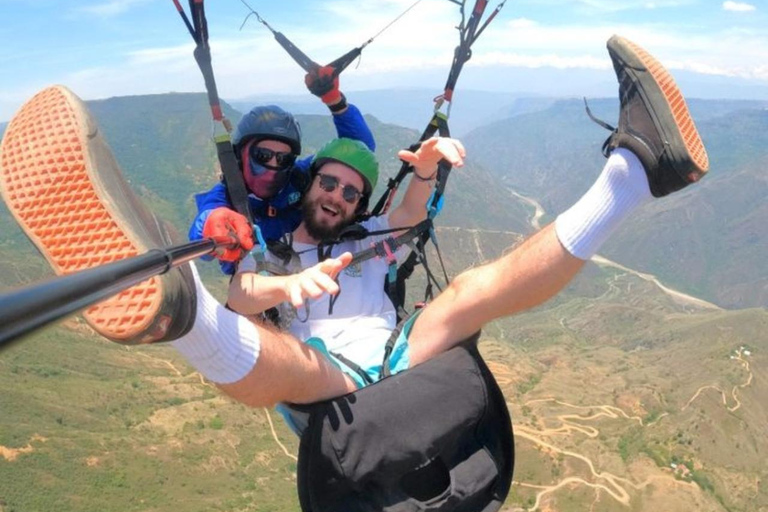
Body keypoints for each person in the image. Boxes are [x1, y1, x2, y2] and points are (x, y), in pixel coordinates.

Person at [0, 36, 709, 422]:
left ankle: (636, 172)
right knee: (292, 362)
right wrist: (282, 277)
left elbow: (401, 209)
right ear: (308, 185)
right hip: (324, 382)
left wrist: (425, 167)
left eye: (350, 191)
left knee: (464, 294)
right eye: (328, 184)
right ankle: (180, 313)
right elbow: (246, 290)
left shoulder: (371, 231)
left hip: (401, 352)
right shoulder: (273, 245)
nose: (338, 196)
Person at [188, 65, 375, 275]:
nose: (274, 165)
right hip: (261, 289)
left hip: (317, 269)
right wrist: (213, 223)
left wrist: (335, 102)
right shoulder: (227, 196)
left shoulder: (299, 177)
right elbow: (204, 230)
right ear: (242, 154)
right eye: (263, 155)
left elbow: (359, 152)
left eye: (283, 158)